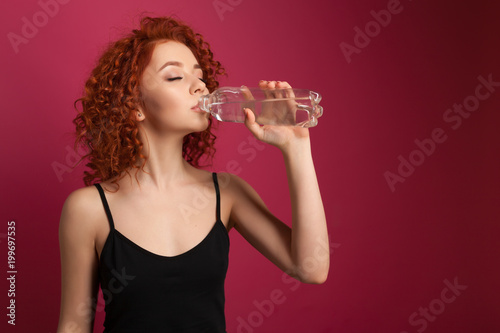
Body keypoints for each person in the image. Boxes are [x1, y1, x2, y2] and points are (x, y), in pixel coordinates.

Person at [57, 16, 329, 333]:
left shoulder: (227, 193)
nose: (200, 86)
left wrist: (296, 147)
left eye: (199, 76)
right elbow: (74, 326)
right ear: (135, 106)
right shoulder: (87, 209)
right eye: (175, 77)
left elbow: (312, 269)